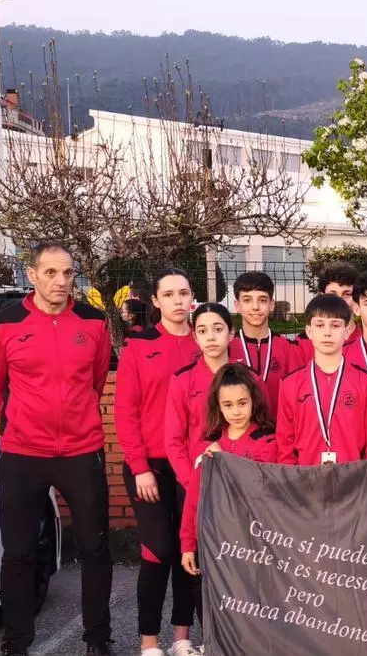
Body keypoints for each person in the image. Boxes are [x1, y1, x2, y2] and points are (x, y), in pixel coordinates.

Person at [0, 242, 114, 656]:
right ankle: (16, 645)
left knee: (95, 549)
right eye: (51, 272)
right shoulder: (5, 322)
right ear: (33, 274)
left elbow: (96, 380)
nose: (61, 281)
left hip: (81, 450)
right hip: (23, 454)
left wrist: (74, 419)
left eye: (68, 273)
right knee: (19, 554)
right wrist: (24, 422)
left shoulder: (93, 322)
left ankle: (98, 640)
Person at [115, 269, 202, 656]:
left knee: (188, 551)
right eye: (169, 294)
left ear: (192, 297)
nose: (177, 300)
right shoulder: (139, 345)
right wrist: (139, 467)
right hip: (149, 466)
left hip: (193, 466)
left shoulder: (205, 341)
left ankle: (182, 638)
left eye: (183, 293)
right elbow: (125, 411)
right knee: (158, 550)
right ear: (156, 301)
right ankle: (149, 642)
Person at [180, 363, 281, 577]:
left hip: (258, 544)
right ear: (218, 406)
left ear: (253, 401)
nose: (236, 412)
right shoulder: (210, 445)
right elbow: (195, 499)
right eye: (228, 405)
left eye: (242, 403)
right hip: (220, 543)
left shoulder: (267, 441)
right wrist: (188, 544)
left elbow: (261, 488)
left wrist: (225, 460)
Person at [277, 294, 367, 464]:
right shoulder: (290, 384)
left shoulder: (366, 383)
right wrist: (292, 479)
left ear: (346, 332)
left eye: (335, 325)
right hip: (305, 477)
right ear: (309, 331)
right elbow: (285, 444)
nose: (327, 333)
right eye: (320, 325)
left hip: (353, 477)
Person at [164, 304, 243, 502]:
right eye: (202, 331)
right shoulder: (182, 381)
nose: (210, 337)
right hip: (197, 482)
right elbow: (173, 440)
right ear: (195, 337)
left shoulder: (249, 379)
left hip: (240, 482)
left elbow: (260, 432)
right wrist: (192, 483)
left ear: (231, 333)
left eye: (218, 329)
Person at [230, 271, 300, 417]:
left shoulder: (288, 348)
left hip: (279, 429)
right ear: (237, 305)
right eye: (247, 300)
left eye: (262, 300)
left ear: (271, 304)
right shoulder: (228, 349)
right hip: (241, 430)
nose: (255, 307)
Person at [297, 262, 361, 361]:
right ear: (322, 296)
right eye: (332, 294)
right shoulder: (302, 343)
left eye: (347, 294)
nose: (339, 300)